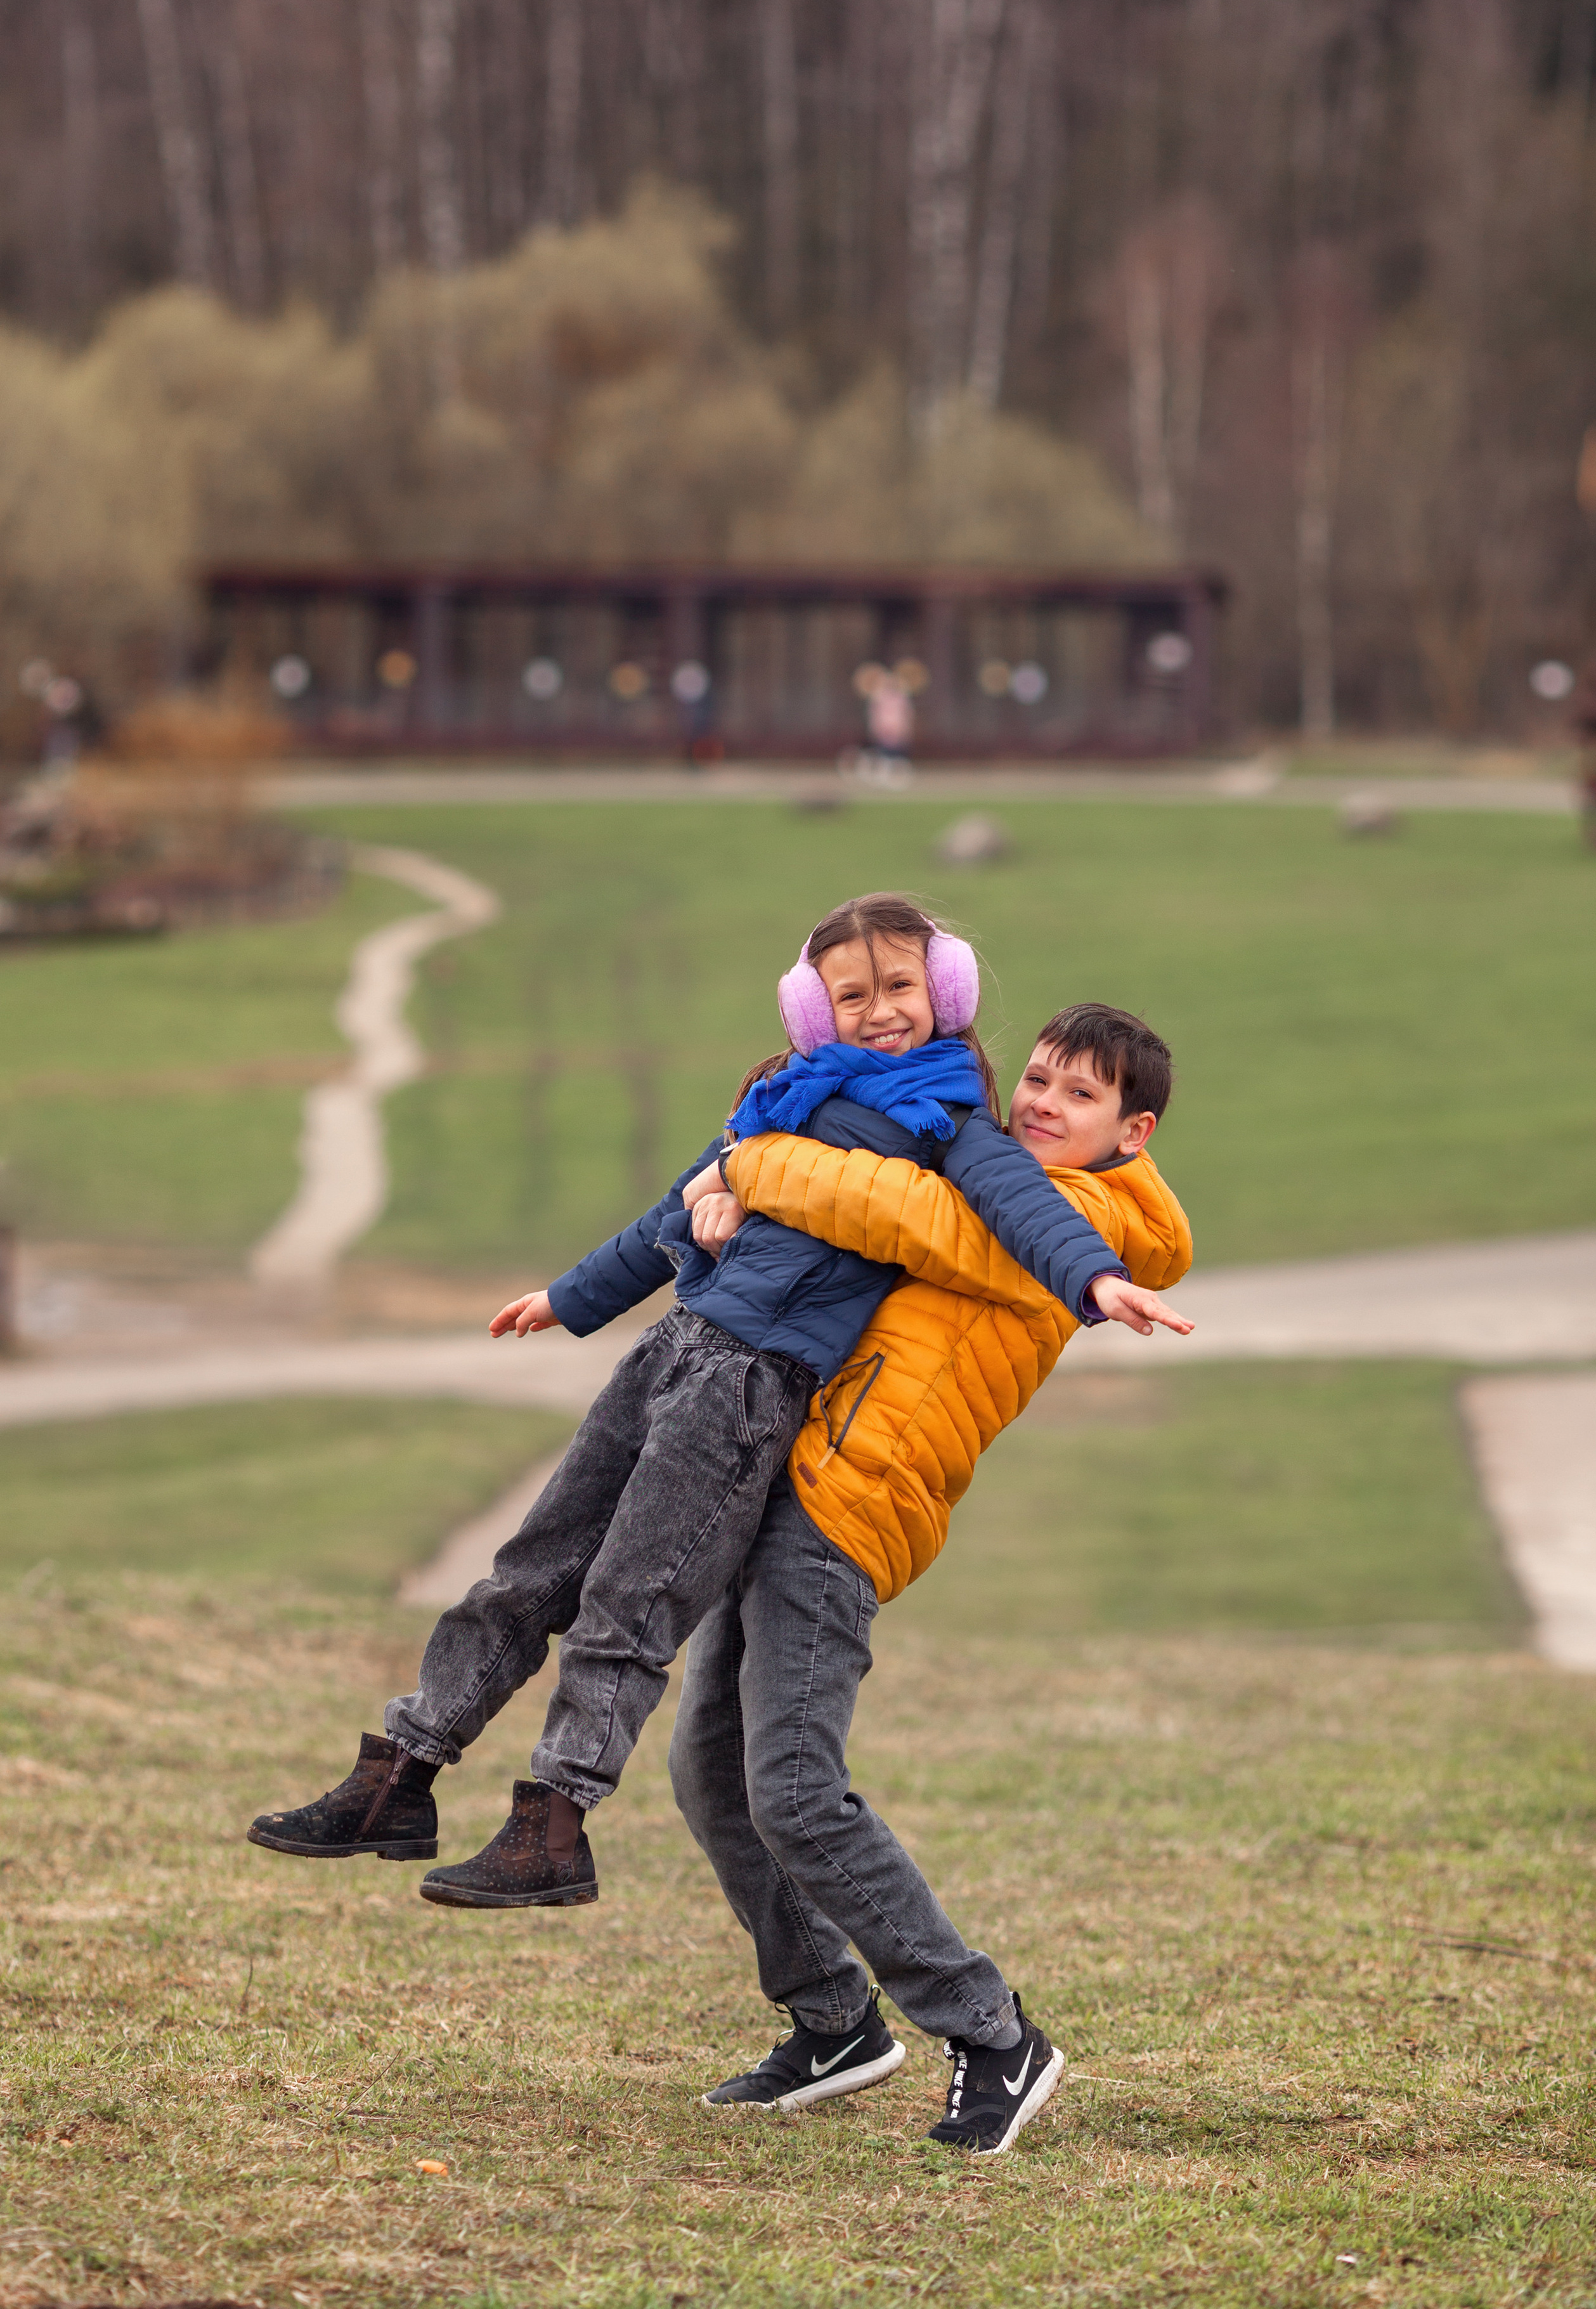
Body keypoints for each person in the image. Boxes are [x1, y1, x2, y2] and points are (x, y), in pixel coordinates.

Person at [246, 899, 1173, 1907]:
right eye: (850, 995)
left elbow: (1027, 1210)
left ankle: (553, 1825)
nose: (879, 1012)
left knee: (625, 1607)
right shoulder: (786, 1094)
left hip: (750, 1389)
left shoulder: (949, 1124)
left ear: (946, 991)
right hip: (673, 1350)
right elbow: (678, 1197)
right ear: (811, 1010)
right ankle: (402, 1775)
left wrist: (1093, 1280)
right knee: (528, 1570)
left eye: (901, 987)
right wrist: (572, 1294)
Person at [666, 1003, 1191, 2155]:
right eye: (1039, 1078)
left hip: (852, 1510)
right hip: (791, 1482)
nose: (1043, 1101)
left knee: (796, 1790)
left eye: (1079, 1094)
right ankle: (836, 2023)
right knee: (709, 1772)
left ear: (1132, 1132)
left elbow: (893, 1207)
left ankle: (993, 2033)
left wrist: (742, 1159)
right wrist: (718, 1208)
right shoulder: (1007, 1177)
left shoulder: (1071, 1216)